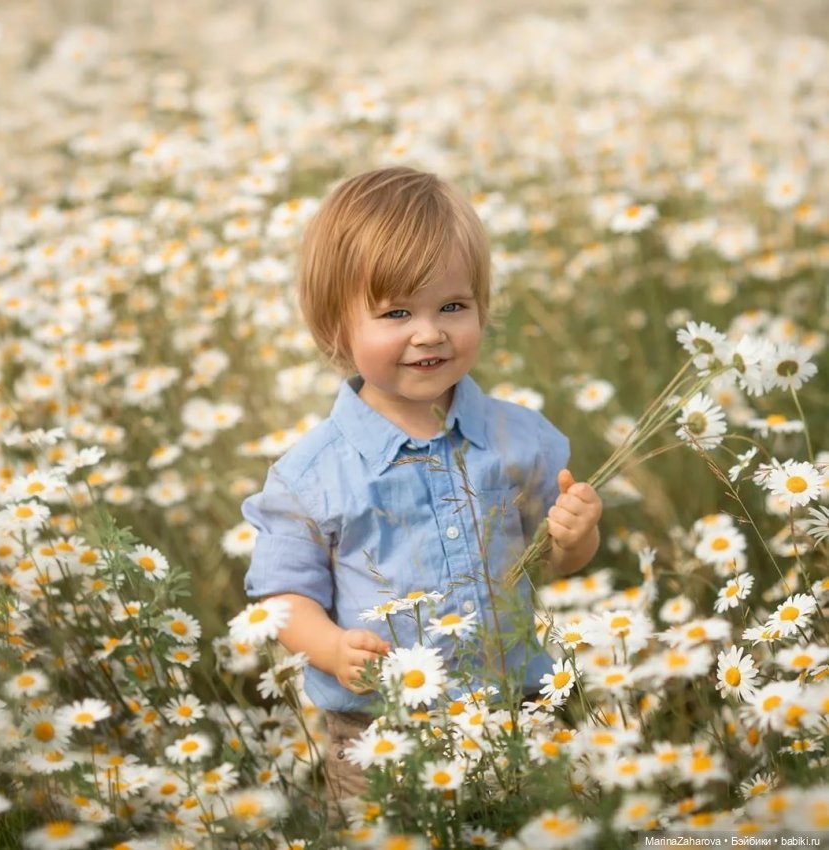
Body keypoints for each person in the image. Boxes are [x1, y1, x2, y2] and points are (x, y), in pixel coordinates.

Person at [241, 166, 602, 813]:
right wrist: (326, 647)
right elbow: (281, 594)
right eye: (397, 312)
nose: (429, 332)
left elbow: (553, 558)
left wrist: (576, 538)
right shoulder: (312, 473)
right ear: (335, 328)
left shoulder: (520, 440)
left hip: (516, 707)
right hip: (379, 730)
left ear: (482, 308)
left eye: (453, 307)